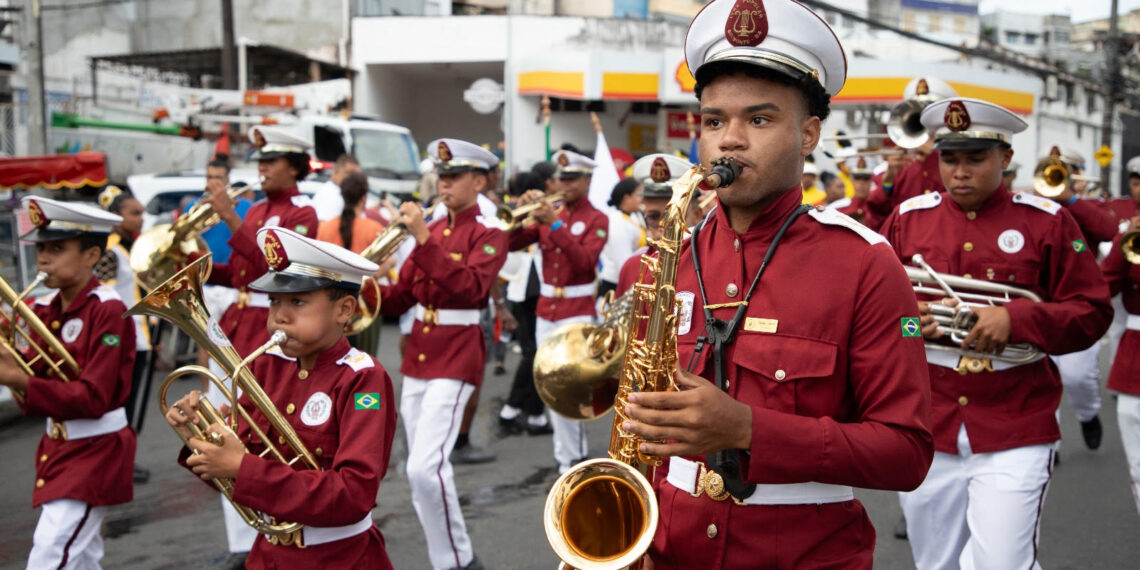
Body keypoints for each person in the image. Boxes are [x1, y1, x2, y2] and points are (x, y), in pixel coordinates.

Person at [620, 2, 934, 567]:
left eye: (759, 120)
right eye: (714, 121)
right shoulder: (670, 256)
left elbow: (906, 454)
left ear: (808, 133)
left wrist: (748, 428)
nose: (728, 141)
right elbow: (641, 419)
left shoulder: (866, 262)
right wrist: (632, 536)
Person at [880, 97, 1113, 569]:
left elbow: (1092, 312)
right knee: (935, 564)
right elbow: (877, 313)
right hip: (930, 422)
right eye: (950, 158)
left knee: (1003, 563)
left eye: (975, 158)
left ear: (1005, 159)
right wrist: (914, 320)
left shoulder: (1046, 221)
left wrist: (1017, 321)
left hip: (1016, 421)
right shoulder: (908, 218)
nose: (959, 172)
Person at [165, 226, 395, 569]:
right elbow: (236, 480)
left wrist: (243, 469)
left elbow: (353, 495)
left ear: (344, 309)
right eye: (274, 301)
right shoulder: (268, 369)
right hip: (268, 554)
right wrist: (203, 437)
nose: (279, 316)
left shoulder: (362, 378)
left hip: (338, 557)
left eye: (298, 301)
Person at [373, 138, 506, 570]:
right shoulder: (434, 228)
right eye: (441, 176)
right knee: (423, 470)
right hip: (421, 354)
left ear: (479, 180)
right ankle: (449, 559)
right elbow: (401, 298)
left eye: (453, 177)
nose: (443, 184)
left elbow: (471, 288)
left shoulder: (490, 232)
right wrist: (361, 285)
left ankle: (458, 562)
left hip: (458, 351)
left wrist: (423, 238)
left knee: (424, 469)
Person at [198, 124, 319, 559]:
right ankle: (239, 546)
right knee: (221, 431)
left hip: (266, 331)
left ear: (294, 166)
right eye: (261, 161)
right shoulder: (255, 210)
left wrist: (231, 217)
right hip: (234, 325)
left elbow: (282, 267)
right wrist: (194, 262)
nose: (262, 168)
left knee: (252, 438)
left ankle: (264, 534)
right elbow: (241, 272)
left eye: (271, 161)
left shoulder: (302, 212)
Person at [0, 196, 136, 569]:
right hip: (59, 447)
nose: (44, 259)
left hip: (95, 449)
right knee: (80, 557)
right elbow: (35, 391)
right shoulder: (44, 309)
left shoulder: (107, 309)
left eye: (57, 248)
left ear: (92, 255)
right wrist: (13, 360)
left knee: (51, 553)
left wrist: (18, 378)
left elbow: (93, 398)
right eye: (42, 248)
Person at [508, 149, 609, 475]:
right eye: (561, 178)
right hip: (545, 310)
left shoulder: (597, 219)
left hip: (576, 310)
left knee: (571, 388)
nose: (564, 184)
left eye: (571, 178)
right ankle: (563, 458)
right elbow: (510, 242)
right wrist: (517, 212)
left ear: (587, 180)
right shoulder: (551, 211)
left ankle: (575, 458)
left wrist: (553, 224)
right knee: (549, 384)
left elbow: (584, 262)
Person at [1040, 146, 1118, 451]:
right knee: (1038, 377)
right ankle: (1050, 445)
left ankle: (1088, 414)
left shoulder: (1089, 205)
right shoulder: (1034, 204)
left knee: (1077, 377)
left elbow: (1109, 229)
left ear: (1078, 175)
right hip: (1039, 301)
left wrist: (1071, 200)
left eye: (1065, 170)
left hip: (1076, 302)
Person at [95, 186, 154, 484]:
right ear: (116, 217)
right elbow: (102, 296)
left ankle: (124, 460)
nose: (142, 218)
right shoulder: (110, 250)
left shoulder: (134, 246)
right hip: (124, 340)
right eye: (135, 213)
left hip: (141, 337)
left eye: (142, 212)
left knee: (135, 404)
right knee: (122, 405)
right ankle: (117, 464)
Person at [498, 168, 555, 436]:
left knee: (532, 352)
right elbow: (508, 242)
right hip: (528, 287)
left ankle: (525, 411)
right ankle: (518, 410)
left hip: (524, 287)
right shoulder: (532, 209)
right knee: (533, 353)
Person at [865, 76, 958, 232]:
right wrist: (888, 182)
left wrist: (934, 158)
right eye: (920, 118)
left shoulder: (957, 163)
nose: (925, 125)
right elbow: (875, 222)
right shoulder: (892, 168)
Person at [316, 171, 388, 354]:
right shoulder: (374, 228)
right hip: (365, 304)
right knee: (365, 358)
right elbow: (383, 267)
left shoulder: (325, 227)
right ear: (364, 198)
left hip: (329, 302)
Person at [1102, 224, 1140, 515]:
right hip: (1135, 358)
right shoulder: (1132, 235)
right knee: (1139, 467)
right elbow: (1101, 287)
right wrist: (1122, 242)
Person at [615, 154, 691, 297]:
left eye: (673, 217)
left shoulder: (710, 264)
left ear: (698, 214)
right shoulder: (634, 266)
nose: (662, 225)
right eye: (653, 217)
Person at [598, 177, 646, 297]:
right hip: (616, 288)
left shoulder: (634, 217)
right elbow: (623, 263)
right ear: (627, 198)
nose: (642, 199)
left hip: (630, 282)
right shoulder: (616, 222)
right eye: (639, 194)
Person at [312, 154, 362, 221]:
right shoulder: (330, 195)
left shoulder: (341, 193)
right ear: (336, 171)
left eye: (356, 175)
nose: (353, 178)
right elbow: (324, 227)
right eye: (349, 173)